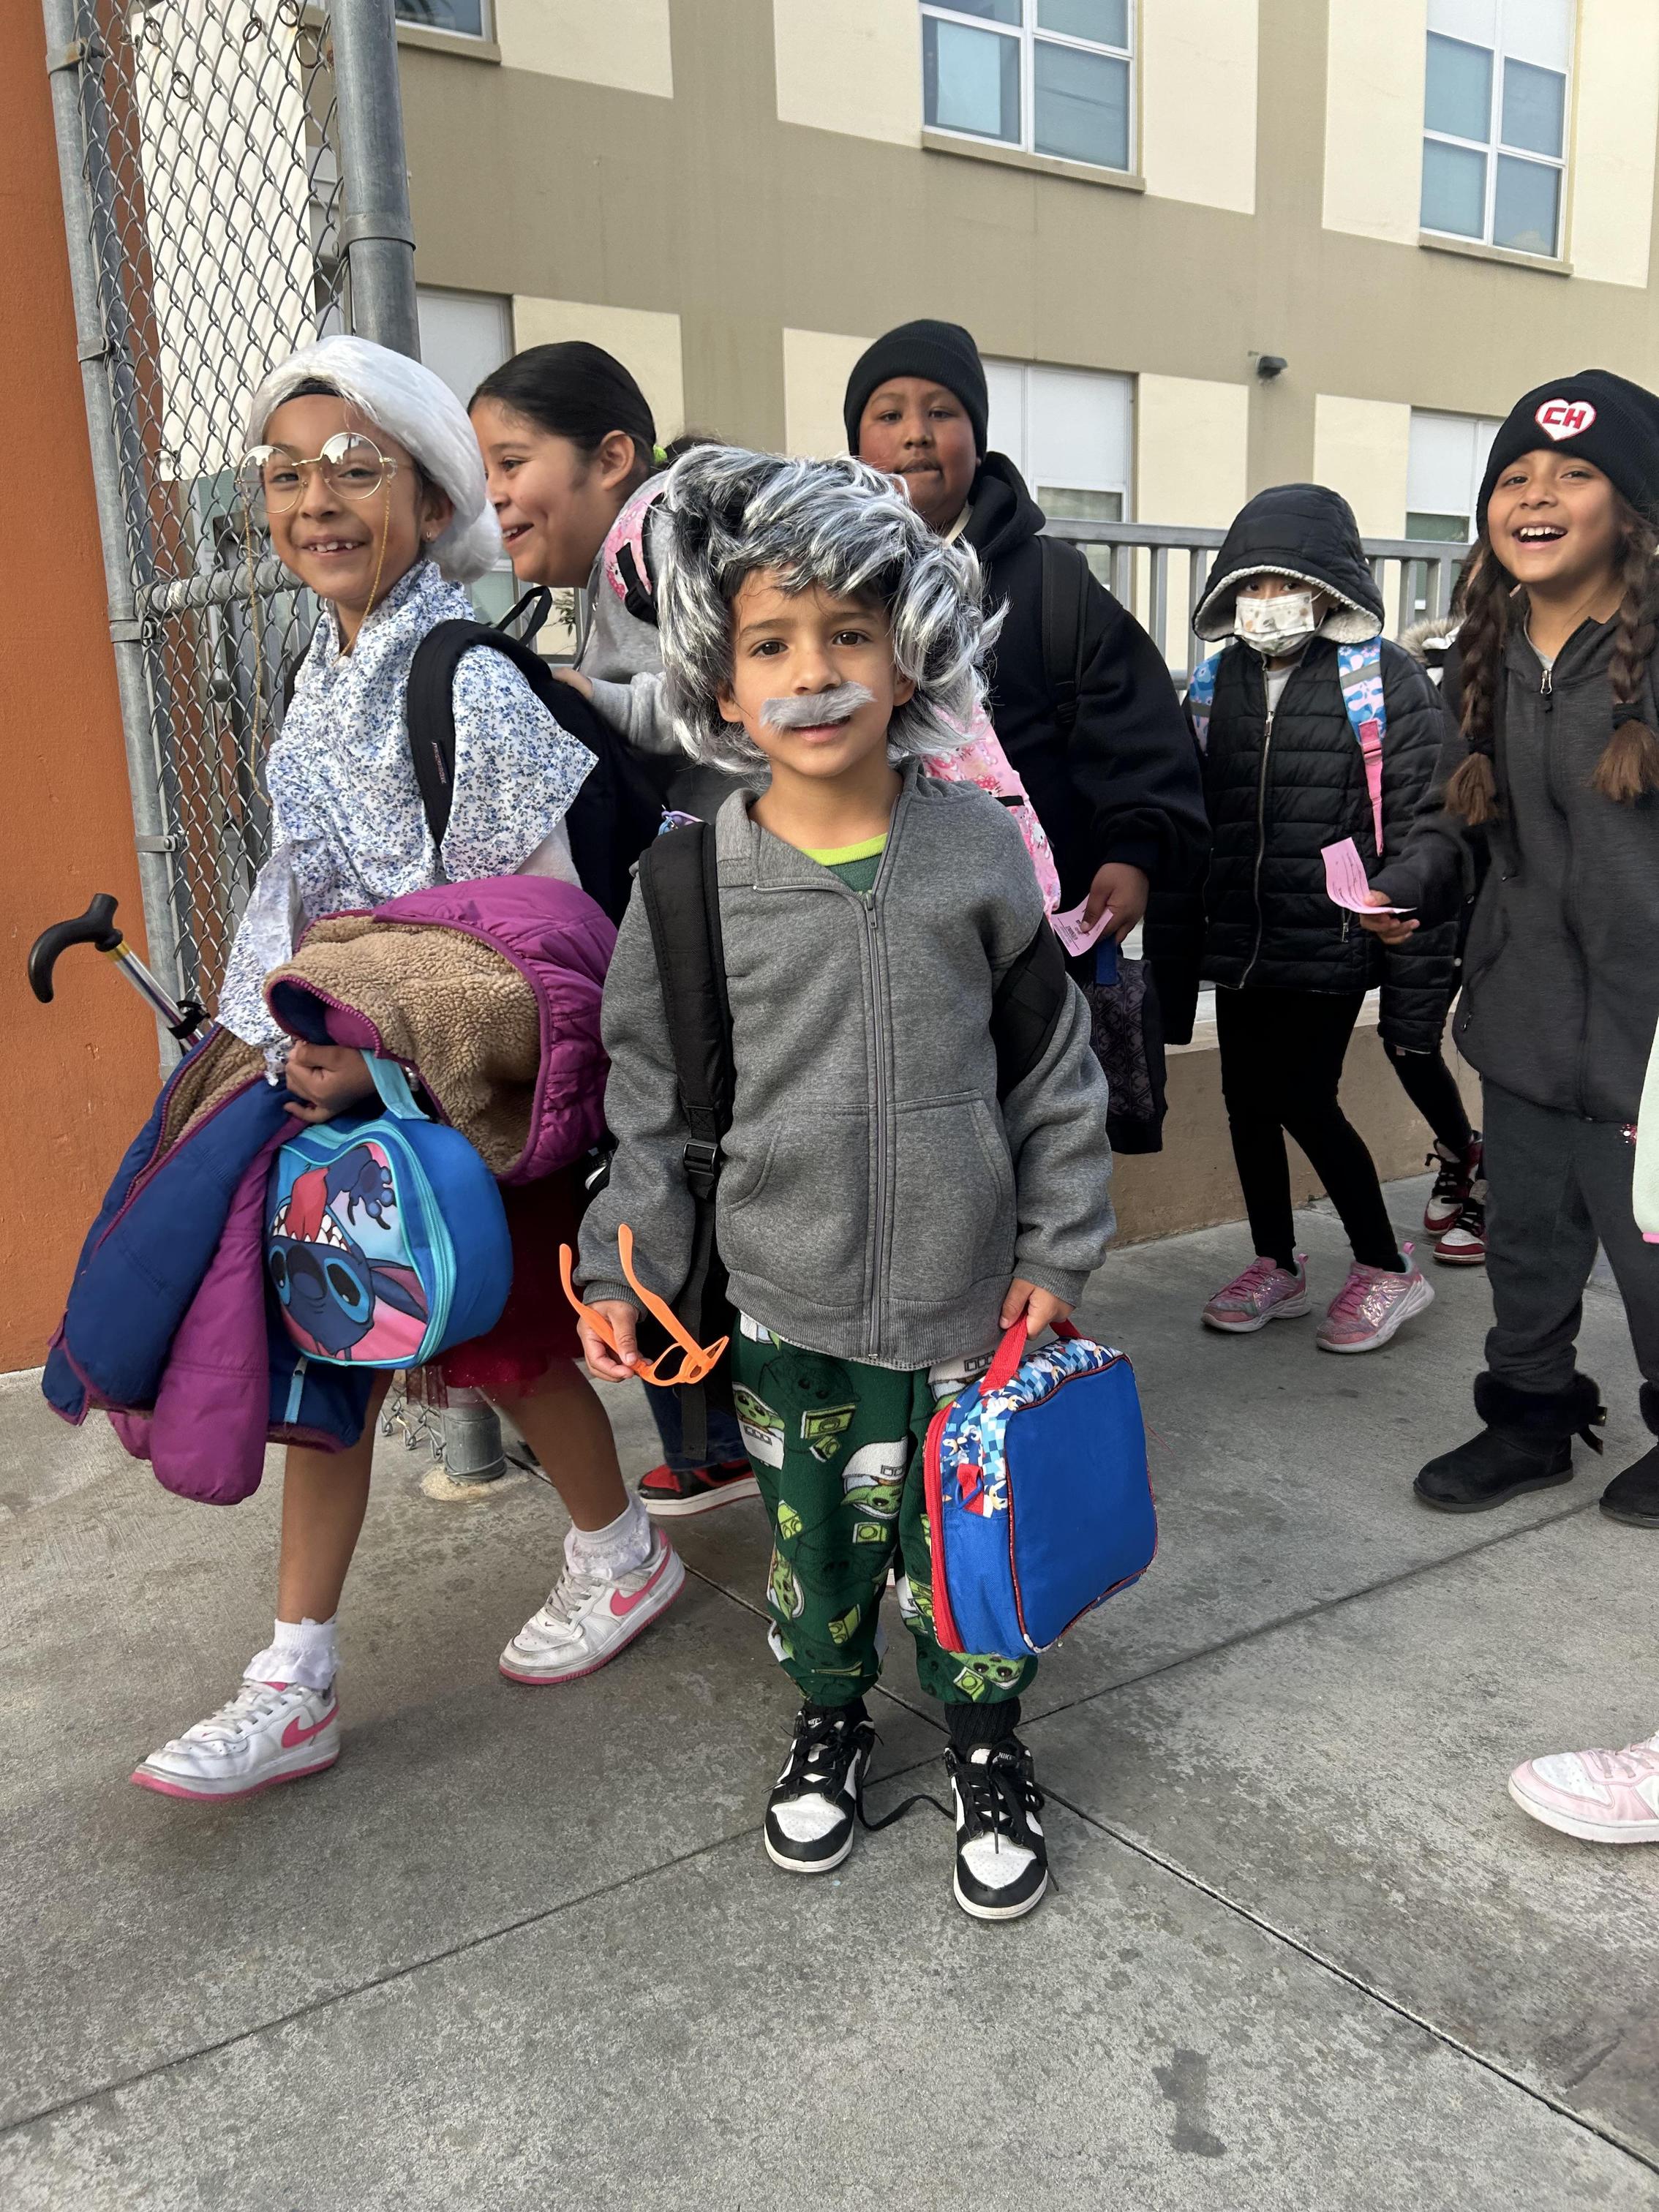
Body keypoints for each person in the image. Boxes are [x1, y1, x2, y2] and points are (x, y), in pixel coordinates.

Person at [132, 337, 684, 1805]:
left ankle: (618, 1554)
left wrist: (376, 1041)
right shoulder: (318, 680)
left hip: (470, 1097)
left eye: (354, 468)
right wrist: (269, 1038)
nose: (314, 500)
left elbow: (539, 929)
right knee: (349, 1354)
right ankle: (297, 1672)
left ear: (432, 499)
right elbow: (298, 887)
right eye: (285, 473)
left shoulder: (466, 680)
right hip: (352, 1080)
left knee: (505, 1349)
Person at [574, 448, 1115, 1920]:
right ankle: (829, 1719)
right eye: (770, 643)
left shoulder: (977, 852)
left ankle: (989, 1742)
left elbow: (1051, 1072)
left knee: (969, 1556)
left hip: (970, 1312)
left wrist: (1057, 1248)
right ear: (719, 681)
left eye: (849, 634)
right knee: (815, 1555)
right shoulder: (684, 887)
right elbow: (650, 1105)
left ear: (910, 652)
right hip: (788, 1311)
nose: (812, 674)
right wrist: (622, 1261)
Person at [1360, 369, 1659, 1529]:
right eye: (1514, 477)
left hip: (1649, 1040)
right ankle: (1531, 1419)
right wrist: (1407, 886)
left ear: (1629, 510)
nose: (1536, 495)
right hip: (1526, 1016)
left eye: (1574, 474)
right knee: (1527, 1243)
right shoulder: (1480, 655)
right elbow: (1456, 817)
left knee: (1652, 1259)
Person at [470, 342, 755, 1514]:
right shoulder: (619, 564)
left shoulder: (656, 539)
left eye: (513, 461)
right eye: (483, 471)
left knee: (693, 1142)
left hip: (736, 897)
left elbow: (723, 699)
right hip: (705, 895)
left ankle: (719, 1429)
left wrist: (588, 696)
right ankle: (713, 1430)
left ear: (613, 458)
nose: (495, 494)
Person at [1148, 484, 1454, 1351]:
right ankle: (1276, 1263)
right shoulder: (1216, 681)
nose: (1266, 601)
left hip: (1333, 934)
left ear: (1325, 588)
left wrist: (1398, 893)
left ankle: (1387, 1267)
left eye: (1284, 582)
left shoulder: (1381, 675)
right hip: (1243, 938)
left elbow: (1423, 805)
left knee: (1303, 1097)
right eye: (1251, 584)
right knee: (1246, 1101)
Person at [843, 319, 1206, 944]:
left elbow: (1132, 725)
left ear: (979, 442)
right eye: (889, 414)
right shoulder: (829, 583)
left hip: (1042, 925)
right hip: (878, 923)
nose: (916, 433)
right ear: (854, 446)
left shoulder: (1052, 579)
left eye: (942, 412)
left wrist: (1134, 851)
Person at [1393, 617, 1485, 1266]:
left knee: (1505, 1053)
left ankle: (1493, 1189)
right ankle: (1460, 1149)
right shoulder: (1406, 675)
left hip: (1500, 896)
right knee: (1407, 1040)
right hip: (1423, 880)